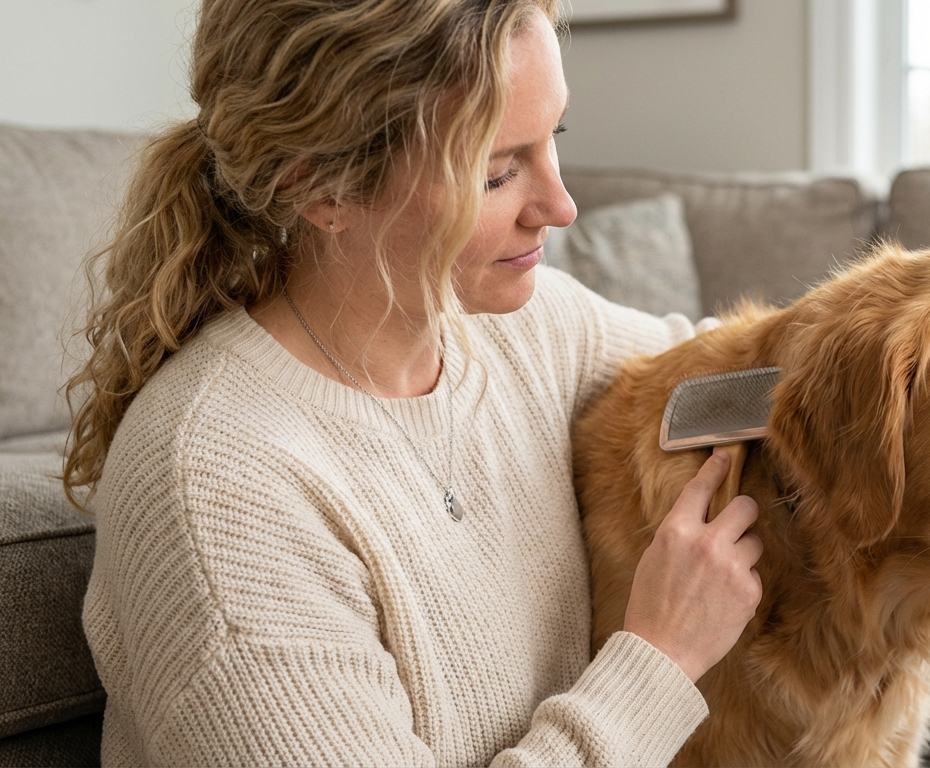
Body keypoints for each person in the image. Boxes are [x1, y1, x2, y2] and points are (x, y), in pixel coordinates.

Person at [63, 0, 764, 764]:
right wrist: (658, 659)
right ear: (321, 187)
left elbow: (744, 379)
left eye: (553, 138)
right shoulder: (216, 490)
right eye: (498, 173)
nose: (560, 206)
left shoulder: (523, 330)